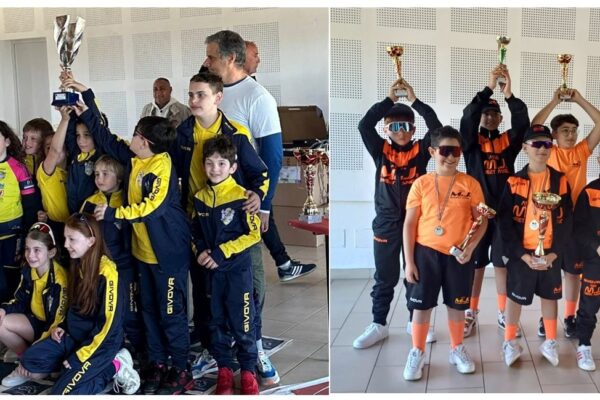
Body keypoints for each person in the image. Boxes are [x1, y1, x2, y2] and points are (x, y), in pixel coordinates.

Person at [62, 76, 194, 394]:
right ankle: (157, 363)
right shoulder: (135, 159)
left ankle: (181, 368)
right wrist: (87, 99)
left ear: (144, 141)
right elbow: (105, 138)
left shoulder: (161, 167)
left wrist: (113, 213)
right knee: (148, 311)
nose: (130, 137)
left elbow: (153, 208)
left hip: (167, 255)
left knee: (170, 313)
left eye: (135, 134)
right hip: (141, 254)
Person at [170, 71, 269, 375]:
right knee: (204, 292)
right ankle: (213, 349)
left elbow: (260, 173)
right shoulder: (182, 132)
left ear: (217, 97)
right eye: (190, 94)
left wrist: (257, 197)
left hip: (235, 225)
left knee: (248, 291)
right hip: (199, 223)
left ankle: (255, 348)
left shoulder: (236, 132)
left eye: (200, 94)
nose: (193, 100)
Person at [204, 30, 317, 287]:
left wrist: (264, 205)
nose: (206, 62)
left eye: (211, 57)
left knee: (247, 274)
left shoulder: (258, 97)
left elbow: (272, 157)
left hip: (244, 196)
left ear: (230, 58)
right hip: (214, 194)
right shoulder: (212, 92)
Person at [352, 79, 442, 350]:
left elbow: (437, 129)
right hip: (386, 224)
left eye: (405, 127)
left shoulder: (421, 151)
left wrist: (414, 101)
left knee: (415, 274)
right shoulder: (380, 149)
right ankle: (379, 324)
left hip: (417, 224)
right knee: (385, 277)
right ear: (386, 129)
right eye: (394, 127)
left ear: (413, 129)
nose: (400, 132)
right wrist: (389, 100)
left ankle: (415, 321)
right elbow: (364, 125)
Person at [13, 213, 140, 395]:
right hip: (75, 336)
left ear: (91, 241)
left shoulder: (107, 273)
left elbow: (107, 327)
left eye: (72, 239)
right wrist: (63, 326)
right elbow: (73, 307)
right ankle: (77, 370)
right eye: (65, 238)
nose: (66, 244)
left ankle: (114, 365)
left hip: (100, 344)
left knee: (63, 393)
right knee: (29, 360)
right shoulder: (78, 263)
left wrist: (79, 357)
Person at [402, 126, 487, 381]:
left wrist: (470, 249)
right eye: (445, 151)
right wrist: (409, 262)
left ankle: (456, 348)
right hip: (425, 254)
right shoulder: (421, 184)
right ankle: (417, 352)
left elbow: (481, 221)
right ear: (432, 151)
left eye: (456, 152)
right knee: (421, 306)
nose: (451, 157)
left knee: (457, 305)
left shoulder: (470, 184)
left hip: (459, 255)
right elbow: (409, 224)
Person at [459, 65, 530, 337]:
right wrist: (489, 88)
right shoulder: (470, 142)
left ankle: (503, 312)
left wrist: (509, 95)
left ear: (500, 118)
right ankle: (470, 312)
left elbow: (523, 126)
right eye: (485, 114)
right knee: (476, 265)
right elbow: (467, 118)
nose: (489, 118)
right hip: (476, 213)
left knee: (502, 264)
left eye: (494, 114)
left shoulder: (507, 142)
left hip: (503, 214)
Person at [497, 124, 572, 367]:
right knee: (515, 297)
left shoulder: (560, 181)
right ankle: (509, 341)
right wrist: (520, 254)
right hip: (523, 254)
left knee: (550, 296)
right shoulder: (514, 181)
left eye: (547, 144)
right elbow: (504, 222)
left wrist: (554, 253)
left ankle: (550, 341)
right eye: (537, 144)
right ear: (525, 148)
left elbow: (567, 220)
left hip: (549, 252)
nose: (542, 149)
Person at [191, 135, 260, 395]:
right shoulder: (199, 198)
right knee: (215, 321)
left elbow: (254, 235)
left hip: (237, 272)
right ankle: (224, 370)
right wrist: (200, 251)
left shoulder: (243, 197)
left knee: (243, 322)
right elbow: (194, 232)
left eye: (221, 163)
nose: (215, 169)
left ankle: (248, 371)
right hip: (212, 274)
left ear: (233, 167)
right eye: (210, 163)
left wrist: (222, 252)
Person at [531, 88, 600, 338]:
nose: (571, 135)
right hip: (549, 220)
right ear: (554, 135)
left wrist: (579, 99)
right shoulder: (547, 150)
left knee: (573, 273)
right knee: (550, 273)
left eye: (574, 130)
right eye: (565, 131)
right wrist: (553, 101)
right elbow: (533, 126)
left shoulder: (582, 150)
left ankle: (570, 317)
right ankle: (546, 317)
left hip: (576, 221)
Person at [80, 155, 144, 361]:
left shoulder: (127, 202)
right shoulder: (90, 203)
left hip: (125, 266)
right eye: (97, 174)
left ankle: (139, 351)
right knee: (103, 309)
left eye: (105, 174)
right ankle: (111, 351)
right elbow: (81, 233)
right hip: (99, 268)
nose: (99, 178)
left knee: (130, 309)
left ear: (119, 177)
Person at [0, 222, 68, 387]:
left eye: (37, 250)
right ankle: (24, 358)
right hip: (36, 322)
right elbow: (19, 300)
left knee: (38, 374)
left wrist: (36, 350)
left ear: (51, 252)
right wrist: (4, 309)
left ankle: (33, 363)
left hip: (54, 333)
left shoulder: (59, 279)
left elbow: (57, 322)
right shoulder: (29, 269)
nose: (30, 255)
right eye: (27, 249)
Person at [0, 121, 40, 303]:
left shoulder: (18, 168)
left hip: (12, 233)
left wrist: (27, 233)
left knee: (11, 280)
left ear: (7, 141)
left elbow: (30, 204)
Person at [573, 158, 600, 371]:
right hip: (595, 258)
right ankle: (584, 344)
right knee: (590, 303)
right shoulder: (590, 192)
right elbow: (579, 227)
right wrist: (596, 246)